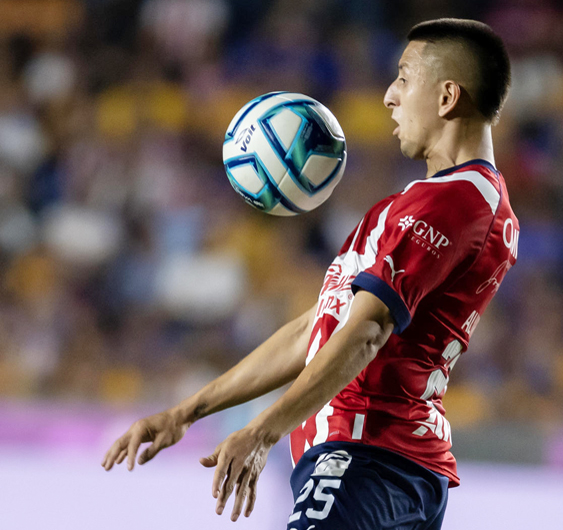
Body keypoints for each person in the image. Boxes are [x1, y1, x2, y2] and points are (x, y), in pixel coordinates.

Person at [102, 18, 516, 530]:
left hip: (364, 456)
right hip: (385, 463)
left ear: (449, 96)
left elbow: (367, 332)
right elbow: (316, 330)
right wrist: (185, 413)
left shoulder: (450, 202)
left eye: (405, 78)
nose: (389, 96)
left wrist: (263, 431)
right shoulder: (438, 202)